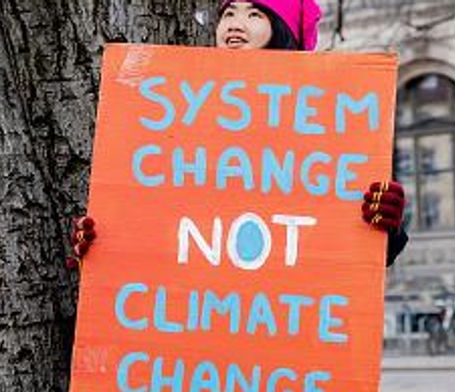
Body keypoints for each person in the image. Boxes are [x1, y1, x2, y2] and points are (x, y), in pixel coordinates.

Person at [69, 0, 408, 268]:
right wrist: (105, 249)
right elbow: (162, 223)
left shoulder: (327, 122)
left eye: (254, 14)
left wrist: (384, 230)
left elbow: (345, 252)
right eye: (229, 12)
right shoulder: (178, 116)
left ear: (282, 30)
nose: (234, 23)